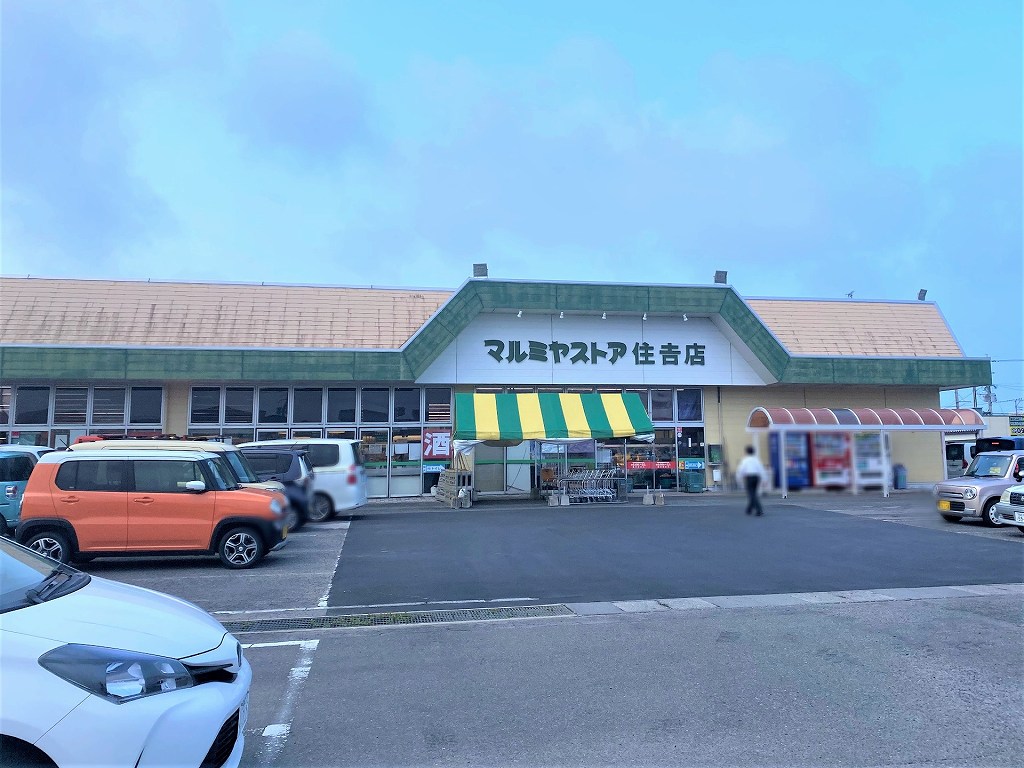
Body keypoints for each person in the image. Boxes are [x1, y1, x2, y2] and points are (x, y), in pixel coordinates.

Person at [736, 445, 765, 516]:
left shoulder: (745, 460)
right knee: (753, 493)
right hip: (756, 477)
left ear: (746, 452)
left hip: (749, 477)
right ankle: (749, 509)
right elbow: (761, 469)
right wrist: (764, 478)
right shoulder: (756, 460)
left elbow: (741, 469)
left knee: (751, 494)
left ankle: (759, 510)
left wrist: (738, 478)